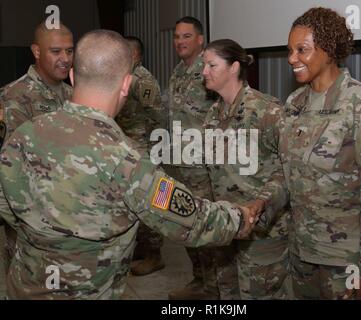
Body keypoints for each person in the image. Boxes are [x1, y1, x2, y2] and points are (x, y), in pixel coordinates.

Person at [0, 29, 256, 300]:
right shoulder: (127, 162)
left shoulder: (24, 134)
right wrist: (240, 217)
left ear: (73, 77)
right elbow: (193, 221)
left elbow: (6, 206)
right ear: (126, 85)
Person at [284, 7, 361, 299]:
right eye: (290, 50)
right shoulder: (295, 103)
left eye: (302, 50)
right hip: (302, 253)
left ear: (329, 49)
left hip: (345, 259)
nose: (291, 59)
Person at [202, 39, 290, 299]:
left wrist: (262, 203)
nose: (204, 72)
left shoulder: (267, 112)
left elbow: (288, 171)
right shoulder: (212, 116)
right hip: (225, 227)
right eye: (203, 66)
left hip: (262, 232)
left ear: (234, 67)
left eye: (211, 65)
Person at [0, 20, 74, 272]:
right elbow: (11, 172)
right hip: (31, 227)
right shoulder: (14, 97)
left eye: (69, 50)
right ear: (36, 51)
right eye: (56, 51)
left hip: (71, 221)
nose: (65, 58)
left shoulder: (75, 96)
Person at [165, 16, 225, 300]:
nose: (180, 42)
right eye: (177, 36)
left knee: (205, 227)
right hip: (178, 165)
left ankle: (214, 288)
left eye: (186, 36)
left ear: (200, 40)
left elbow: (225, 111)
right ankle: (199, 280)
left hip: (203, 167)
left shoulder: (210, 70)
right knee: (184, 224)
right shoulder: (178, 71)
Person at [114, 36, 165, 276]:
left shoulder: (143, 80)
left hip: (143, 146)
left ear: (137, 56)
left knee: (148, 198)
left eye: (127, 52)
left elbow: (156, 115)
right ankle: (140, 248)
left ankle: (154, 254)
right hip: (126, 145)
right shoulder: (121, 75)